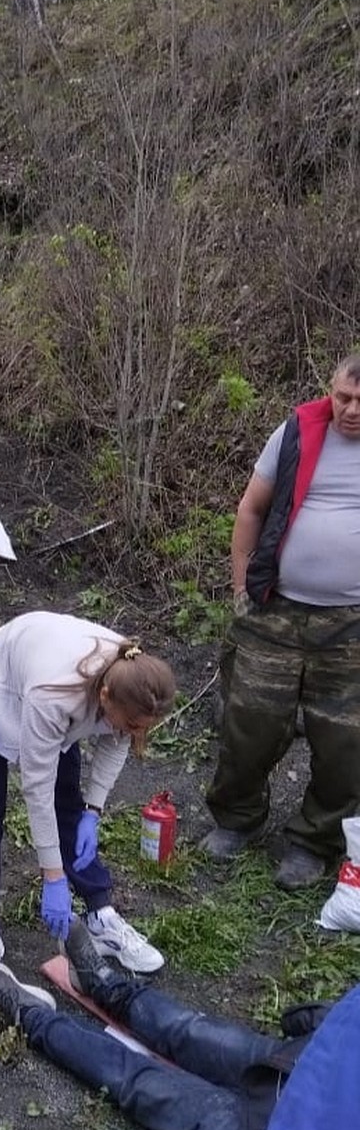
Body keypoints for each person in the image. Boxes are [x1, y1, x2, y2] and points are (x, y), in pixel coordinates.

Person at [0, 918, 358, 1130]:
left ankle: (30, 1016)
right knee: (188, 1028)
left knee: (135, 1080)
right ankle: (102, 982)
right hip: (308, 1064)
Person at [200, 355, 360, 890]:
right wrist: (241, 586)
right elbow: (252, 507)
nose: (350, 410)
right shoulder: (297, 431)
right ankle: (236, 819)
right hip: (276, 607)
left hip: (352, 625)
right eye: (343, 397)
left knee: (345, 742)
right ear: (331, 391)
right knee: (249, 722)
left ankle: (313, 842)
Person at [0, 611, 175, 982]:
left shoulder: (132, 677)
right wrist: (53, 878)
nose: (136, 733)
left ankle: (101, 916)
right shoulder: (54, 698)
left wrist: (93, 810)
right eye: (133, 724)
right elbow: (36, 789)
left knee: (69, 804)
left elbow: (118, 739)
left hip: (42, 672)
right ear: (104, 697)